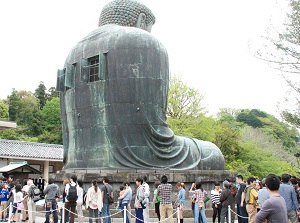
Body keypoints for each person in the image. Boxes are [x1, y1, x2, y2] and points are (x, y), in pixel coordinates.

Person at [60, 0, 225, 171]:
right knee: (212, 153)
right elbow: (156, 124)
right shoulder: (143, 41)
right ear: (141, 20)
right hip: (142, 153)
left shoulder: (72, 54)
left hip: (76, 160)